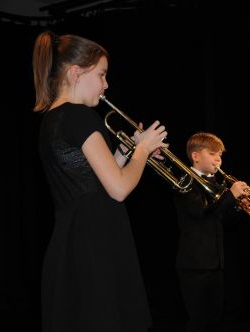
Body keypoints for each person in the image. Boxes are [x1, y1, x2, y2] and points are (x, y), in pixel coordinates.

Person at [33, 31, 168, 332]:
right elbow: (118, 189)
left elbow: (88, 180)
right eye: (102, 74)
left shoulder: (52, 119)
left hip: (73, 243)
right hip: (96, 245)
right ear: (75, 73)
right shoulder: (81, 116)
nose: (107, 84)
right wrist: (144, 150)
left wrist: (127, 150)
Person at [173, 132, 250, 332]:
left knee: (214, 320)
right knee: (198, 322)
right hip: (194, 265)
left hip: (215, 263)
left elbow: (221, 219)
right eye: (213, 153)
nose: (218, 159)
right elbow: (198, 211)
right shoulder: (185, 180)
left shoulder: (216, 184)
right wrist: (230, 196)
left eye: (220, 155)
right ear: (196, 156)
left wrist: (239, 206)